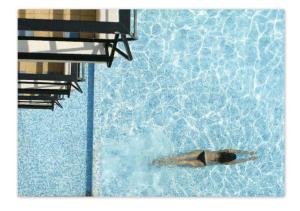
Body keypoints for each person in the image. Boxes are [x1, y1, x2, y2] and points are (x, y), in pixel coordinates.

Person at [152, 149, 257, 167]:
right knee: (182, 163)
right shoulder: (226, 162)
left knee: (181, 157)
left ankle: (159, 160)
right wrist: (248, 159)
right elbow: (238, 161)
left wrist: (248, 152)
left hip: (203, 154)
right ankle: (160, 163)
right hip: (204, 163)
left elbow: (237, 151)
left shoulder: (224, 151)